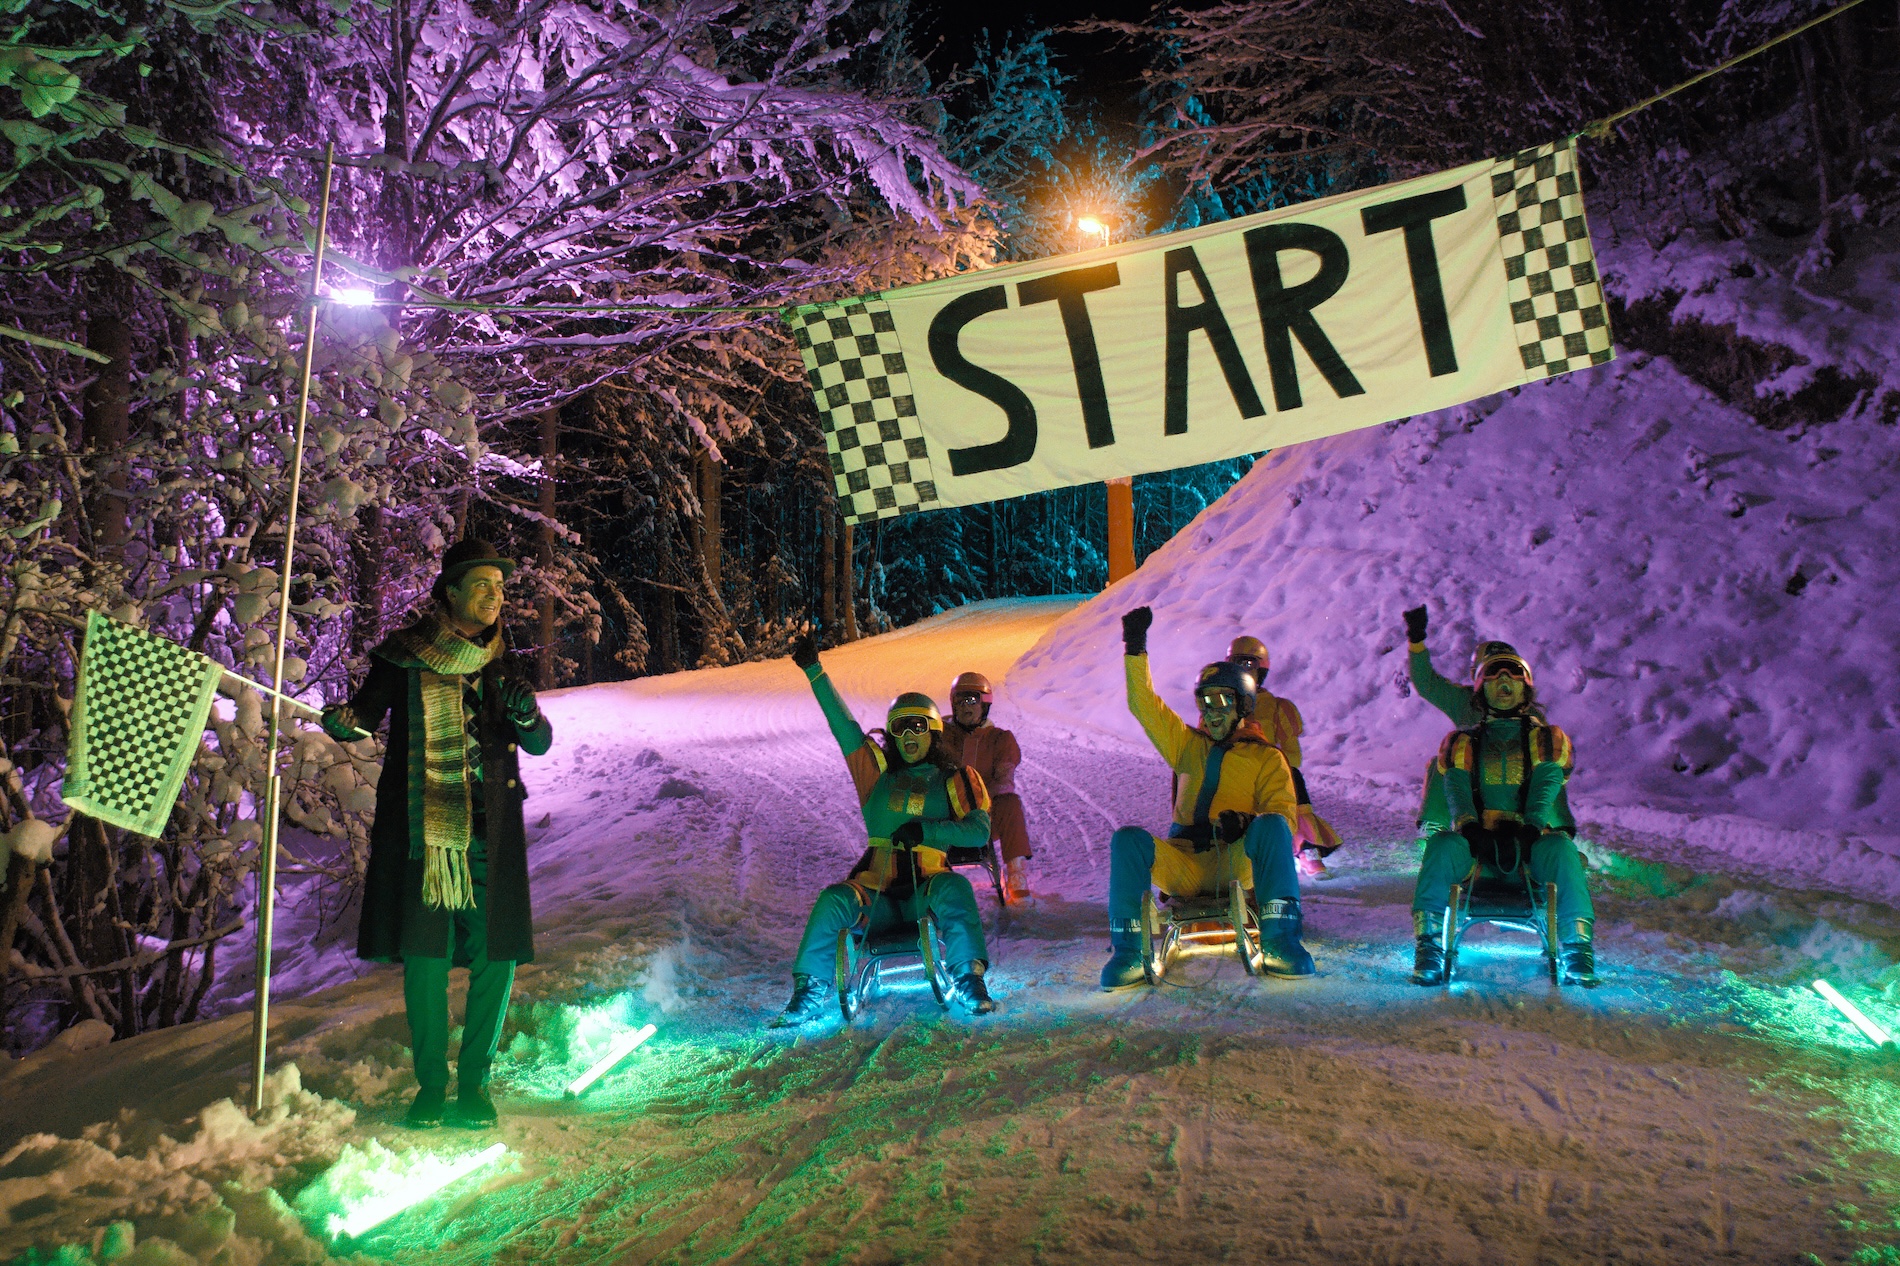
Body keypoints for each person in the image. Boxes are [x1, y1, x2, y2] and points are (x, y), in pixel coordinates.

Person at [320, 539, 553, 1128]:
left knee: (495, 956)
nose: (495, 596)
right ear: (449, 592)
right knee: (426, 956)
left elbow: (539, 741)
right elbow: (361, 718)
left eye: (500, 587)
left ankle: (474, 1084)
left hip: (490, 835)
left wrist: (526, 714)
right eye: (482, 585)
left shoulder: (502, 663)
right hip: (425, 836)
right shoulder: (405, 656)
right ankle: (430, 1086)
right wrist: (344, 723)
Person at [771, 633, 997, 1024]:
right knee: (833, 898)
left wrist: (928, 833)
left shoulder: (956, 778)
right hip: (875, 899)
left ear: (933, 732)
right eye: (900, 729)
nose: (909, 738)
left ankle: (968, 977)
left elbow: (979, 830)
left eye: (917, 728)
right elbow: (843, 726)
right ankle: (810, 988)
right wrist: (814, 671)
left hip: (925, 893)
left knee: (955, 888)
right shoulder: (875, 775)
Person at [1101, 607, 1313, 990]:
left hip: (1233, 860)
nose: (1211, 713)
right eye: (1205, 702)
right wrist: (1135, 648)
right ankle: (1128, 953)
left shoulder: (1266, 757)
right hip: (1184, 862)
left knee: (1272, 827)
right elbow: (1143, 705)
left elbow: (1284, 816)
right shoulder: (1186, 746)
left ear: (1244, 706)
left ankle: (1282, 942)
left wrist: (1246, 823)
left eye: (1222, 702)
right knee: (1127, 839)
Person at [1407, 642, 1598, 987]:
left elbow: (1546, 782)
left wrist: (1533, 827)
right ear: (1481, 690)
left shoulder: (1545, 739)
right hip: (1479, 850)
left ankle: (1577, 947)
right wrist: (1469, 828)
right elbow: (1457, 788)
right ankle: (1429, 944)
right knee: (1441, 845)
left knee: (1561, 850)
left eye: (1513, 674)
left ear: (1526, 686)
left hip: (1529, 848)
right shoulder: (1462, 743)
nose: (1504, 681)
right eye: (1494, 676)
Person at [1401, 604, 1577, 837]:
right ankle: (1436, 828)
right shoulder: (1463, 701)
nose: (1501, 681)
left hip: (1516, 789)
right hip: (1474, 785)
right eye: (1492, 672)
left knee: (1549, 764)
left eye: (1508, 671)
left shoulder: (1530, 713)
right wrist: (1417, 641)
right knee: (1444, 762)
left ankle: (1555, 829)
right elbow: (1427, 683)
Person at [1226, 635, 1342, 877]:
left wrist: (1278, 767)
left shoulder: (1276, 706)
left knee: (1294, 779)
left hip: (1269, 768)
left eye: (1249, 665)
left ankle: (1307, 848)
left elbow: (1292, 754)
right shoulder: (1221, 702)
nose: (1243, 671)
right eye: (1237, 664)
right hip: (1232, 768)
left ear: (1262, 669)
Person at [938, 670, 1033, 900]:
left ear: (985, 705)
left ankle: (1016, 874)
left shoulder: (999, 739)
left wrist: (975, 801)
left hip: (985, 815)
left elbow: (1004, 781)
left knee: (1010, 803)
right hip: (943, 814)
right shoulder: (939, 735)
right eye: (960, 700)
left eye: (972, 700)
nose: (966, 706)